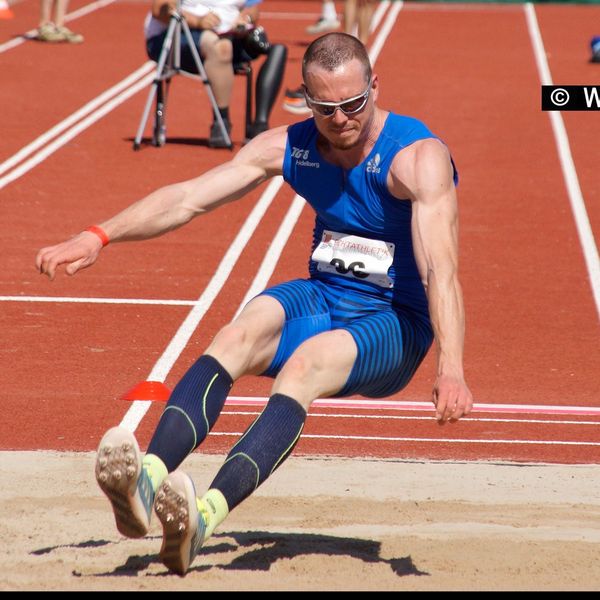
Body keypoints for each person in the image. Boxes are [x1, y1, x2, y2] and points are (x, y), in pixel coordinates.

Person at [36, 32, 473, 576]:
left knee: (303, 366)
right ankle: (146, 482)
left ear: (375, 87)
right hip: (327, 296)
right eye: (325, 107)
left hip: (394, 321)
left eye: (354, 104)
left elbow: (441, 269)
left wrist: (450, 366)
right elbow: (189, 197)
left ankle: (204, 516)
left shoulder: (416, 159)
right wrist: (99, 236)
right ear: (305, 101)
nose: (340, 119)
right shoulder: (291, 145)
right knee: (238, 333)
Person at [145, 0, 287, 147]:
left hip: (230, 33)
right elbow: (159, 10)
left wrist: (245, 19)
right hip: (181, 34)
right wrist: (197, 21)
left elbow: (253, 8)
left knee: (278, 50)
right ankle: (221, 121)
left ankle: (260, 125)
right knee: (221, 48)